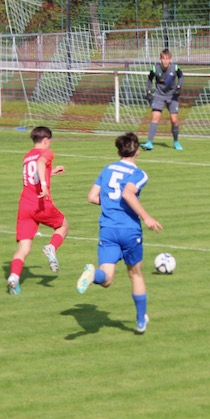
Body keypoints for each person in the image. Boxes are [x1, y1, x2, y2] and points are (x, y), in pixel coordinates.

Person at [76, 132, 163, 334]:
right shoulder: (139, 174)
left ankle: (91, 276)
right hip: (129, 230)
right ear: (137, 151)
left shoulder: (107, 169)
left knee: (106, 279)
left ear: (118, 151)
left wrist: (109, 204)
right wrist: (146, 217)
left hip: (107, 230)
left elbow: (91, 197)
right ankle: (141, 320)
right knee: (135, 274)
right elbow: (127, 193)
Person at [7, 126, 68, 295]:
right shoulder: (47, 153)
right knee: (63, 226)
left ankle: (13, 277)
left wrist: (51, 172)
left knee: (24, 247)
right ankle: (51, 247)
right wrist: (44, 184)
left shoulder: (27, 157)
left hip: (24, 205)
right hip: (40, 203)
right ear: (46, 140)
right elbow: (41, 163)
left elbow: (32, 174)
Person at [142, 48, 184, 151]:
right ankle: (149, 143)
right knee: (155, 117)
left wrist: (179, 87)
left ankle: (176, 141)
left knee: (174, 120)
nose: (165, 61)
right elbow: (149, 79)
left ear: (170, 59)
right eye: (163, 59)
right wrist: (148, 91)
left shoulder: (175, 68)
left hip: (172, 96)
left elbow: (181, 76)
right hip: (159, 96)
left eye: (167, 59)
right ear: (160, 59)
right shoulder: (155, 69)